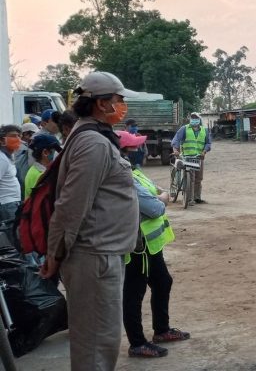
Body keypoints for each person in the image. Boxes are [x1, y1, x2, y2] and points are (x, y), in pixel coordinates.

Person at [39, 71, 140, 371]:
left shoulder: (93, 136)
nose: (123, 106)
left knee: (100, 342)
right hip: (94, 258)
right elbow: (70, 207)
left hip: (100, 255)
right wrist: (54, 256)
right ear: (99, 104)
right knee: (96, 347)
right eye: (118, 100)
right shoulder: (93, 143)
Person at [115, 131, 190, 358]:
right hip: (139, 246)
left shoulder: (134, 172)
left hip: (150, 245)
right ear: (124, 152)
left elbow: (157, 193)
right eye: (136, 147)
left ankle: (162, 330)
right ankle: (137, 343)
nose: (143, 150)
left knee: (163, 282)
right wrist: (163, 198)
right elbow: (156, 206)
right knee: (134, 293)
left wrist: (161, 197)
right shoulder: (124, 177)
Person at [171, 112, 212, 204]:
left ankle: (197, 197)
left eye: (196, 118)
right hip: (186, 157)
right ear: (190, 120)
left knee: (198, 178)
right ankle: (189, 198)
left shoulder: (204, 130)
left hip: (199, 157)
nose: (194, 120)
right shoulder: (184, 129)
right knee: (190, 178)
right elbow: (176, 140)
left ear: (199, 120)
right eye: (192, 118)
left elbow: (208, 143)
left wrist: (204, 151)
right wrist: (176, 150)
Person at [23, 134, 62, 200]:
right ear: (45, 152)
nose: (59, 155)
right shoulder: (41, 175)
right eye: (56, 151)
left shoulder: (35, 170)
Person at [0, 125, 22, 223]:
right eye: (13, 136)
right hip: (7, 204)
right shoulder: (2, 159)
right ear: (2, 140)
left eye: (18, 136)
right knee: (13, 235)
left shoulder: (8, 156)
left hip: (12, 203)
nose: (17, 139)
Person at [14, 122, 39, 192]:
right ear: (26, 135)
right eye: (34, 134)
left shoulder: (21, 145)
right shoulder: (22, 148)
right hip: (22, 183)